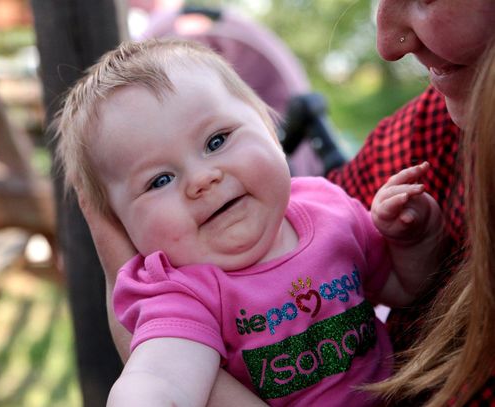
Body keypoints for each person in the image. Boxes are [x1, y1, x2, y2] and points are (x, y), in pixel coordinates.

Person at [56, 39, 442, 406]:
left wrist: (414, 239)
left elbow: (402, 289)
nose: (201, 179)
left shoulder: (330, 208)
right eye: (160, 180)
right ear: (124, 228)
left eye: (216, 141)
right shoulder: (182, 292)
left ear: (271, 130)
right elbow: (162, 377)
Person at [367, 39, 495, 407]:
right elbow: (399, 288)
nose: (387, 45)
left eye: (427, 0)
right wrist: (413, 247)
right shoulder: (444, 109)